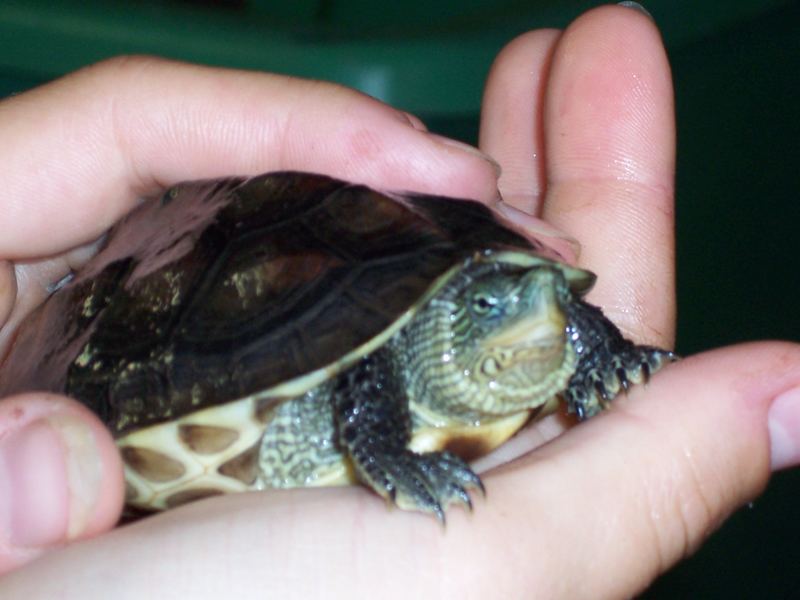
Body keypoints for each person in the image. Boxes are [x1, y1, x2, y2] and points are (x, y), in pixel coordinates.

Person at [0, 3, 797, 597]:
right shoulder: (379, 364)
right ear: (451, 329)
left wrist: (603, 359)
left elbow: (544, 300)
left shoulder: (517, 310)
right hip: (119, 372)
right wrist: (387, 456)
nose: (537, 313)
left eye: (535, 301)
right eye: (495, 306)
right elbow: (357, 369)